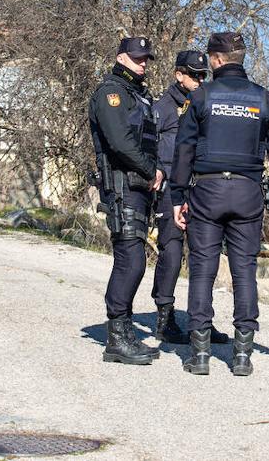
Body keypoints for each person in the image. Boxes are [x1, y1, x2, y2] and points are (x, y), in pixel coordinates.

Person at [170, 31, 269, 376]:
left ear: (215, 60)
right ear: (240, 58)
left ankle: (199, 356)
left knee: (202, 269)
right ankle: (242, 355)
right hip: (247, 192)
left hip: (208, 191)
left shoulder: (202, 97)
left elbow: (184, 149)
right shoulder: (264, 100)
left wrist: (177, 195)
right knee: (244, 270)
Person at [89, 36, 166, 365]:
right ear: (121, 58)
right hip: (122, 187)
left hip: (138, 188)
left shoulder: (138, 95)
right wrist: (151, 170)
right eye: (137, 58)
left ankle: (122, 331)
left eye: (146, 58)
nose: (143, 63)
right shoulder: (111, 93)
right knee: (130, 261)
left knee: (134, 259)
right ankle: (117, 337)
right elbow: (119, 142)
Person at [150, 49, 227, 345]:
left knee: (205, 256)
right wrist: (155, 171)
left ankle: (203, 322)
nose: (198, 80)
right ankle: (165, 317)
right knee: (170, 252)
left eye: (202, 75)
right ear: (178, 75)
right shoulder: (163, 107)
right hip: (171, 188)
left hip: (201, 187)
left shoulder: (207, 103)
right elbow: (148, 144)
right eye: (193, 75)